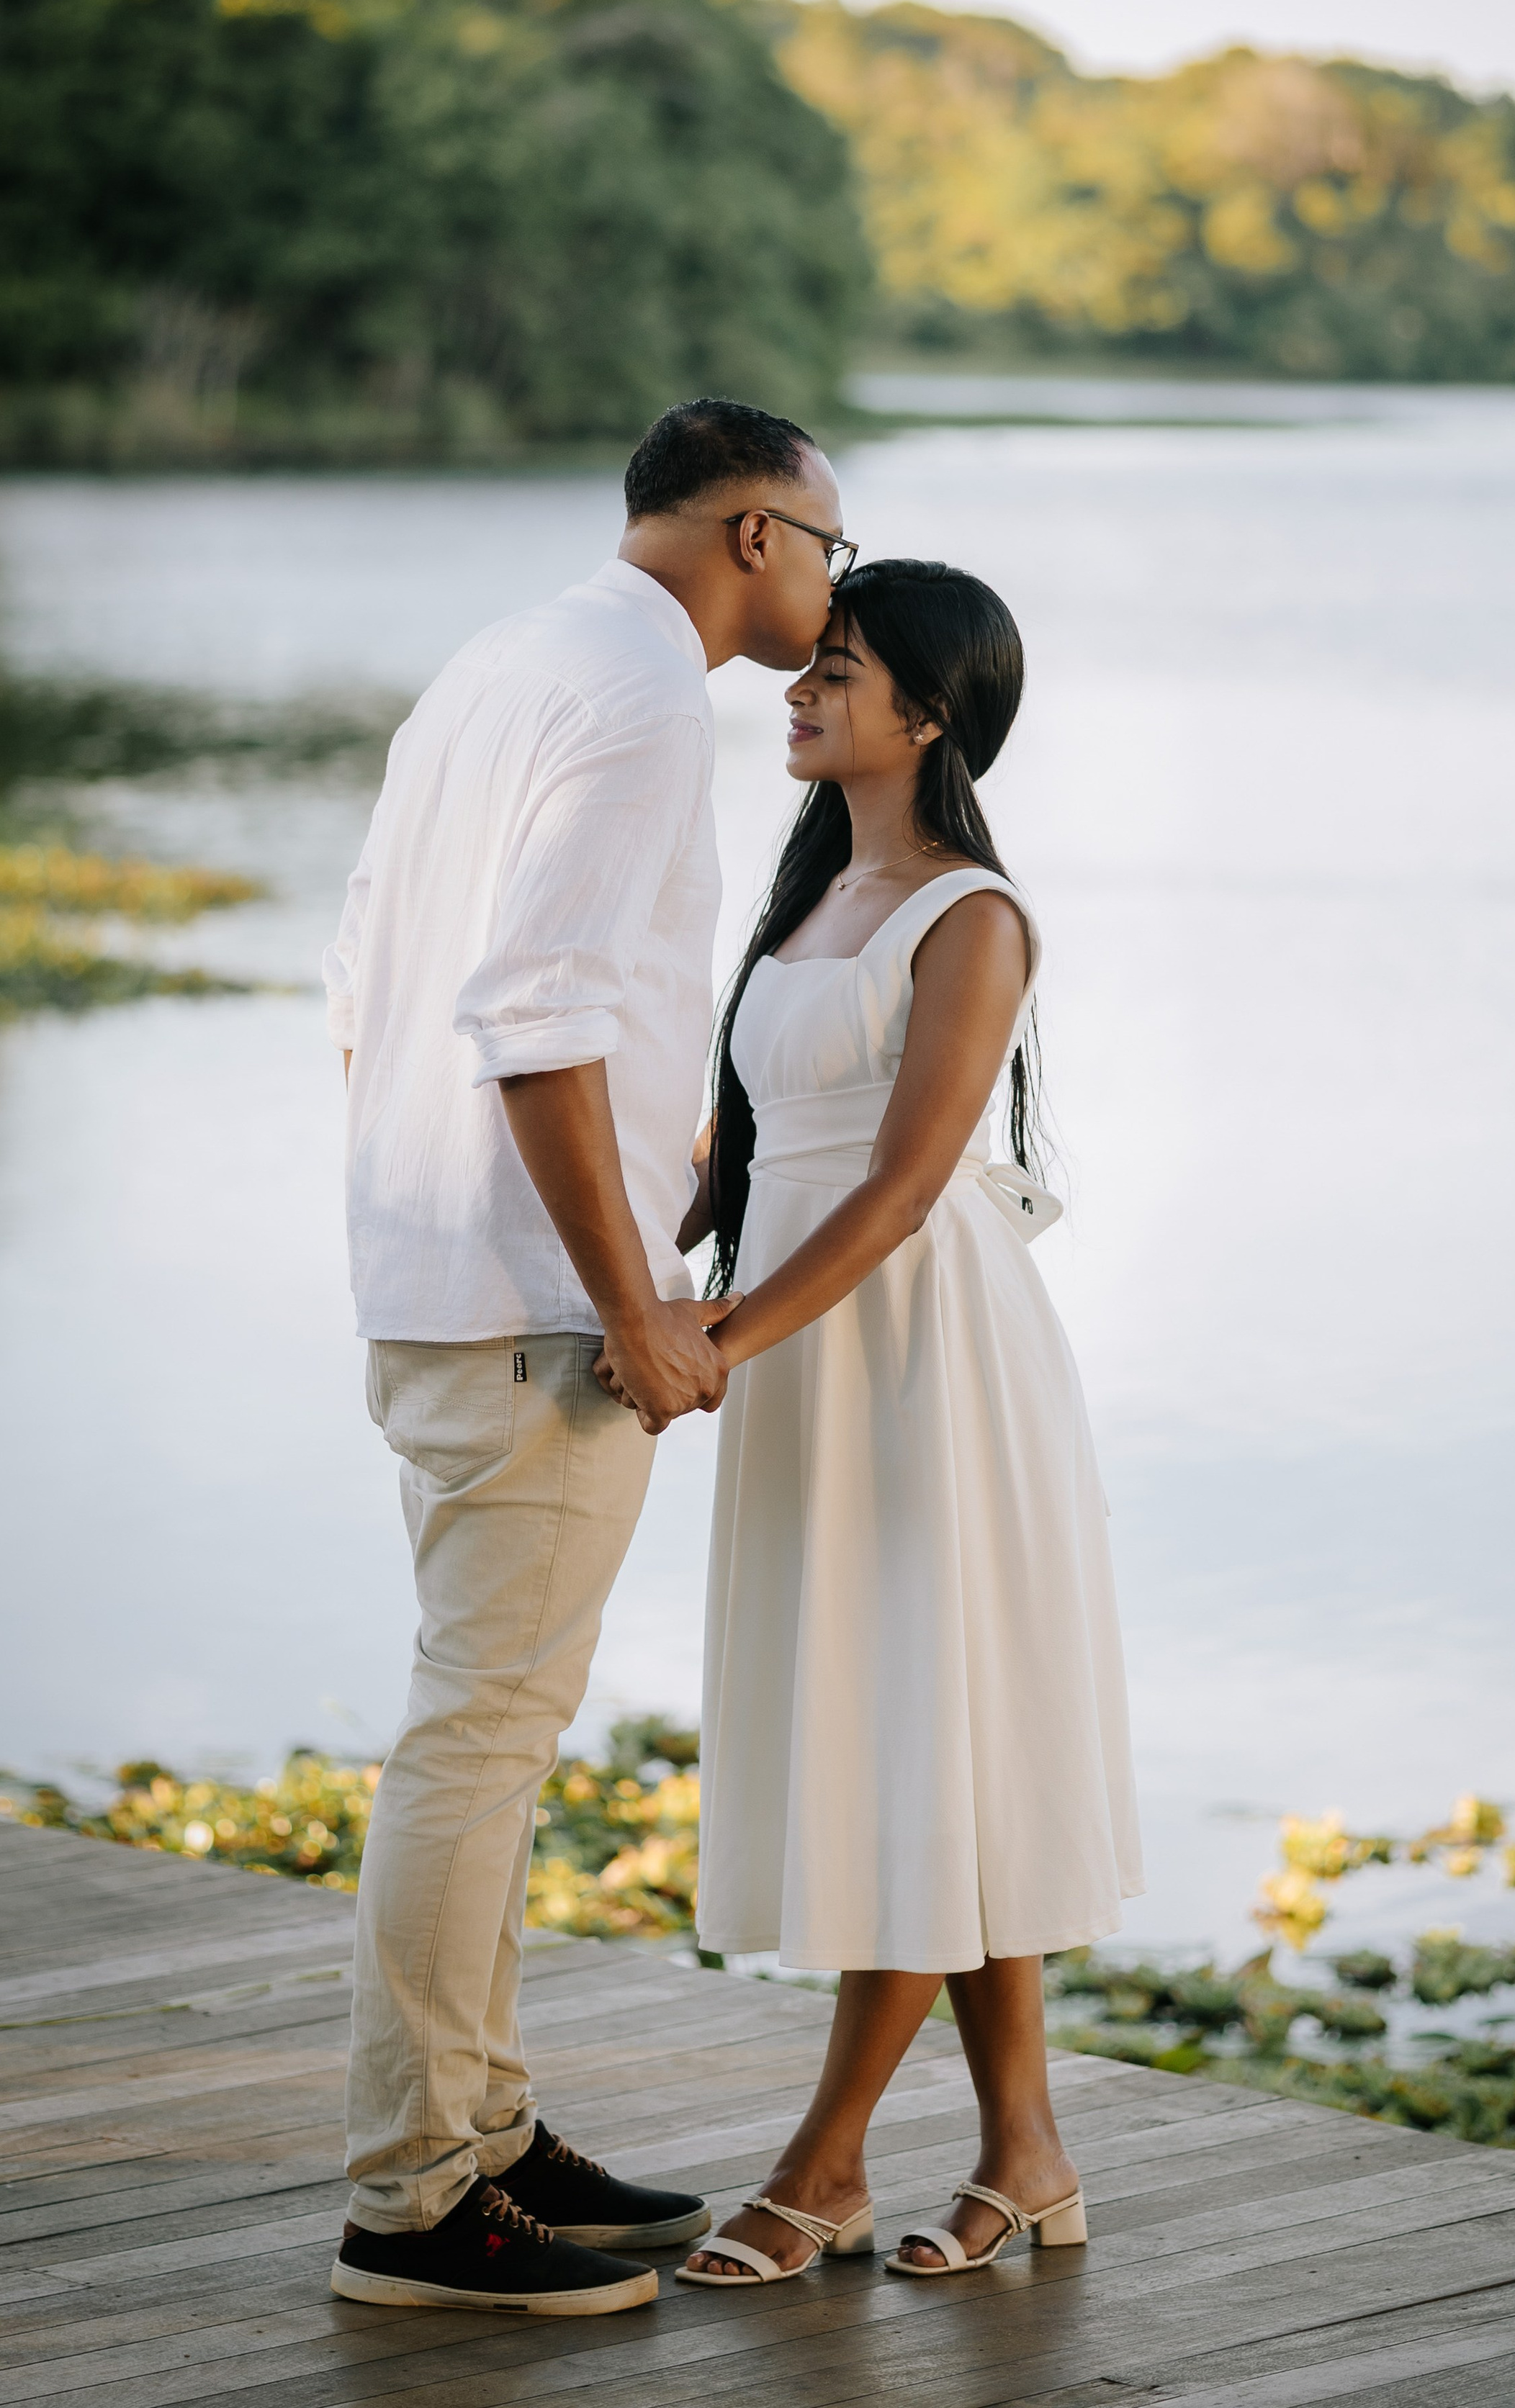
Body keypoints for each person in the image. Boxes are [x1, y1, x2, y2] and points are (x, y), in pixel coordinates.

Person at [320, 397, 851, 2319]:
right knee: (479, 1739)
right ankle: (409, 2203)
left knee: (491, 1727)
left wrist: (451, 1203)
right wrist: (633, 1300)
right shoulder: (638, 699)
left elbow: (363, 971)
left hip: (435, 1264)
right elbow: (530, 1016)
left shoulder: (503, 657)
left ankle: (484, 2127)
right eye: (830, 550)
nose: (831, 593)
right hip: (538, 1302)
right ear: (755, 536)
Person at [657, 559, 1143, 2286]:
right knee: (941, 1745)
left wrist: (720, 1337)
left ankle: (827, 2164)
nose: (797, 688)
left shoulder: (969, 917)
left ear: (926, 716)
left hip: (925, 1358)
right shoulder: (807, 903)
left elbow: (901, 1187)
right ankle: (1028, 2156)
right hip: (809, 1355)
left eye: (837, 673)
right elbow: (745, 1153)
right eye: (808, 668)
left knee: (921, 1746)